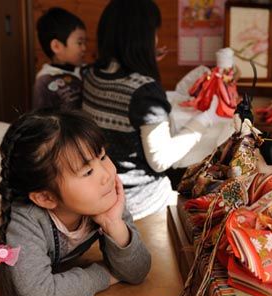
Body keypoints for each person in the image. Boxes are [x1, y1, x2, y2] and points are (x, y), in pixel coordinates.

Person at [0, 110, 151, 296]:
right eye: (87, 172)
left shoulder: (103, 198)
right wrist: (104, 275)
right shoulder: (22, 220)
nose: (106, 175)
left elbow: (137, 272)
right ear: (45, 198)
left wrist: (114, 225)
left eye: (102, 156)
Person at [83, 0, 223, 220]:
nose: (156, 40)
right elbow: (161, 159)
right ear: (142, 39)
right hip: (138, 203)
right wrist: (205, 120)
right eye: (154, 34)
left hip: (100, 194)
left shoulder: (90, 75)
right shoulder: (143, 91)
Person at [33, 7, 87, 111]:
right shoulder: (44, 82)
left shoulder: (84, 70)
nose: (84, 48)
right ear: (56, 46)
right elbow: (41, 118)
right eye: (80, 43)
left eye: (85, 42)